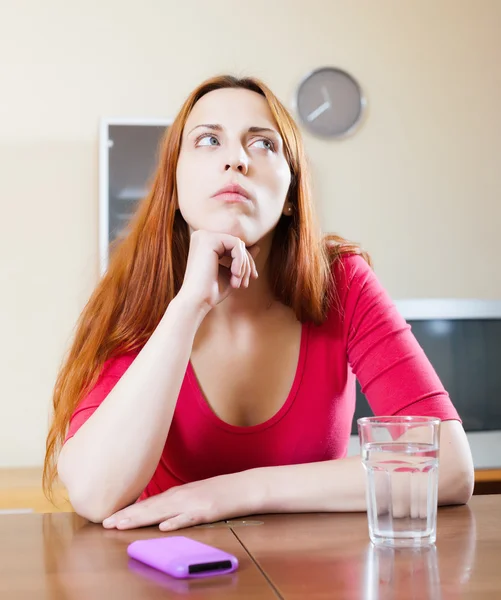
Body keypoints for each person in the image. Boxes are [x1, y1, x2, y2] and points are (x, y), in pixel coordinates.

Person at [43, 75, 474, 531]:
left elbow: (449, 467)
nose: (236, 159)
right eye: (209, 140)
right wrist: (187, 305)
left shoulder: (342, 282)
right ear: (174, 183)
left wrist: (236, 491)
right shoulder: (138, 291)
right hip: (161, 574)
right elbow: (93, 493)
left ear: (290, 196)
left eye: (263, 144)